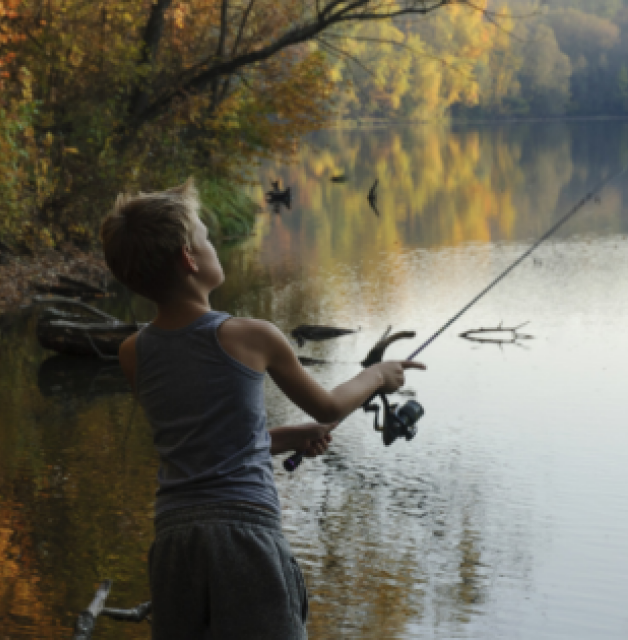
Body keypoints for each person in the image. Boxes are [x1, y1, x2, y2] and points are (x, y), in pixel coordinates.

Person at [101, 178, 424, 639]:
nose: (212, 244)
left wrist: (290, 437)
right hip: (244, 534)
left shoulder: (133, 352)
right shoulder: (251, 336)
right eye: (205, 238)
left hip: (174, 540)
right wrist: (379, 376)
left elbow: (200, 448)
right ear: (189, 259)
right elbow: (329, 406)